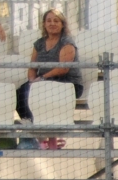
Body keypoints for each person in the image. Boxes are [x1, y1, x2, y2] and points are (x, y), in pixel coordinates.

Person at [15, 8, 80, 150]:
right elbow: (32, 67)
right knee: (21, 93)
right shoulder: (39, 43)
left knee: (44, 93)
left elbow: (63, 68)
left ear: (62, 24)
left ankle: (49, 134)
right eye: (49, 21)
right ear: (44, 24)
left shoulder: (67, 42)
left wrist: (42, 78)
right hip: (43, 82)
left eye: (56, 21)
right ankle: (33, 130)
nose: (52, 24)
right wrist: (32, 81)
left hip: (67, 83)